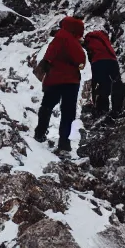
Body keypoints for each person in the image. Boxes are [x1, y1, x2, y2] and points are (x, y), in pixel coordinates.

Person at [34, 16, 86, 153]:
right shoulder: (71, 41)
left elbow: (48, 56)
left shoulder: (58, 38)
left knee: (47, 106)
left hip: (54, 80)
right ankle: (64, 142)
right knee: (68, 112)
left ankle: (39, 133)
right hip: (70, 82)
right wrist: (80, 65)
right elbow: (81, 61)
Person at [83, 30, 125, 119]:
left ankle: (102, 110)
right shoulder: (104, 37)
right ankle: (117, 109)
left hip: (98, 61)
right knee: (116, 83)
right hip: (112, 60)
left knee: (102, 85)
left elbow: (88, 53)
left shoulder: (89, 38)